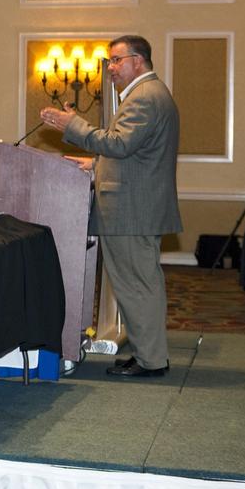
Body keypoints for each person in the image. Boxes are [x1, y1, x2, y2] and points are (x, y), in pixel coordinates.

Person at [41, 34, 181, 379]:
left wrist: (72, 125)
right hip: (135, 204)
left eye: (116, 60)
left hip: (132, 209)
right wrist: (95, 165)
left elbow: (119, 144)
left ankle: (151, 360)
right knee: (138, 283)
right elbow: (135, 154)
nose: (110, 68)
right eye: (110, 62)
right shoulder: (145, 95)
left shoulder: (144, 97)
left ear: (139, 60)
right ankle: (148, 354)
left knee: (138, 284)